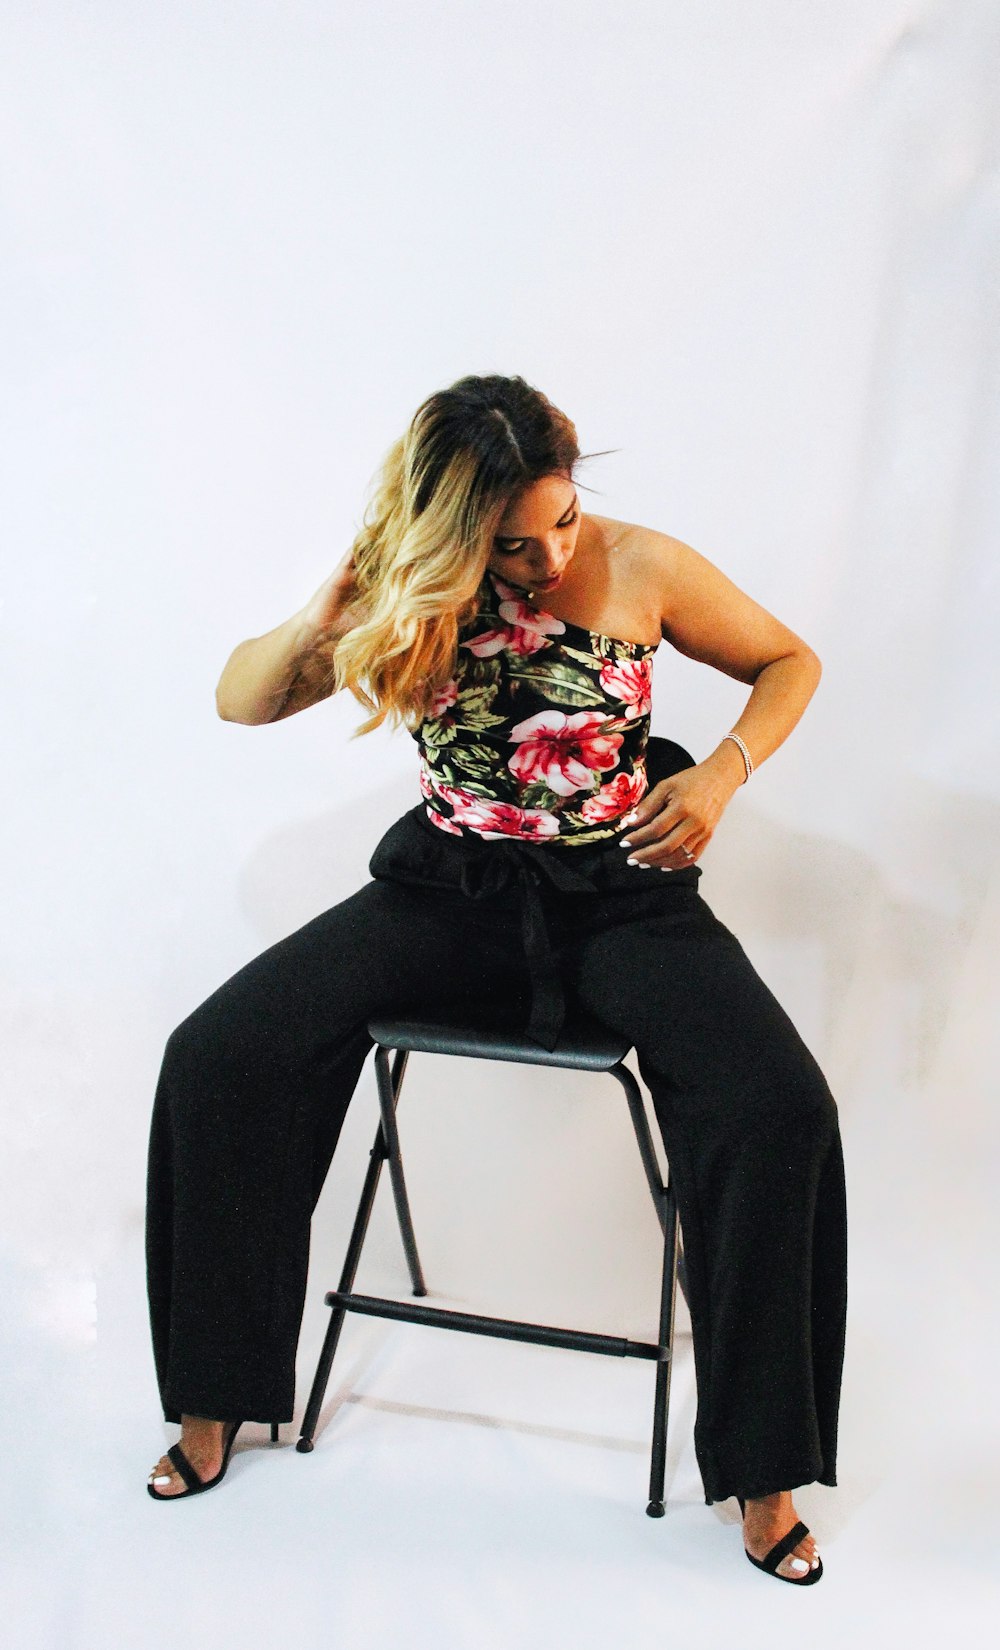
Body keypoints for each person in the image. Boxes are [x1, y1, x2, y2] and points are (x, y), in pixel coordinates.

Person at [145, 373, 846, 1587]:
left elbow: (789, 660)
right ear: (454, 529)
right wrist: (331, 611)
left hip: (618, 895)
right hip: (447, 894)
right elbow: (238, 701)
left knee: (778, 1109)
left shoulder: (645, 565)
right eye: (511, 544)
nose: (548, 557)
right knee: (217, 1059)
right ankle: (213, 1400)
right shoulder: (401, 588)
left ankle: (763, 1470)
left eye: (562, 522)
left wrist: (722, 774)